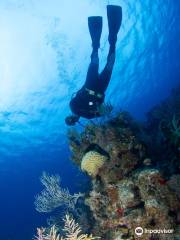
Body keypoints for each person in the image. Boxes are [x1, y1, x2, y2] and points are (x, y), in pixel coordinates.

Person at [65, 5, 122, 126]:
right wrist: (103, 109)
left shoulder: (74, 107)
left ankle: (96, 43)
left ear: (70, 117)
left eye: (70, 119)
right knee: (110, 64)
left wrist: (90, 107)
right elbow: (102, 111)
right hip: (101, 88)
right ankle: (113, 38)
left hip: (90, 85)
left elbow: (79, 104)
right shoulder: (89, 115)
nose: (73, 119)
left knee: (95, 60)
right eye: (72, 121)